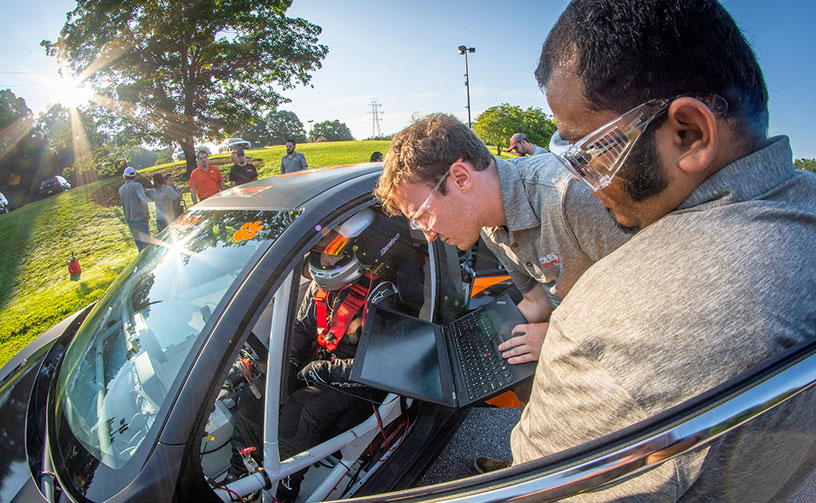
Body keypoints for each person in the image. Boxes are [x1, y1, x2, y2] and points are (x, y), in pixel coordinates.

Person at [509, 0, 816, 501]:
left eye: (590, 151)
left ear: (689, 134)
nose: (581, 179)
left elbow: (530, 490)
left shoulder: (601, 330)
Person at [374, 113, 631, 470]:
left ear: (460, 178)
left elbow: (655, 299)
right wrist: (462, 344)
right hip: (575, 335)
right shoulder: (492, 227)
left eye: (422, 215)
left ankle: (536, 475)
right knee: (517, 376)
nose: (427, 233)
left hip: (621, 362)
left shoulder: (570, 198)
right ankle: (529, 464)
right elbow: (537, 300)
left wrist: (558, 339)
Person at [276, 208, 420, 503]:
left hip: (361, 385)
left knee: (302, 409)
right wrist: (288, 362)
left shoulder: (380, 293)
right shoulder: (320, 289)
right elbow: (302, 329)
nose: (326, 261)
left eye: (335, 253)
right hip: (323, 371)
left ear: (358, 253)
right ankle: (246, 466)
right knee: (258, 395)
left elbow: (383, 364)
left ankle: (283, 489)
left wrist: (324, 371)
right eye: (320, 253)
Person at [118, 166, 151, 252]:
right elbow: (142, 200)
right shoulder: (137, 186)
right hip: (140, 219)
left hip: (130, 221)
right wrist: (147, 213)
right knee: (147, 247)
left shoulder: (121, 190)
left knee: (140, 247)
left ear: (124, 176)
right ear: (134, 176)